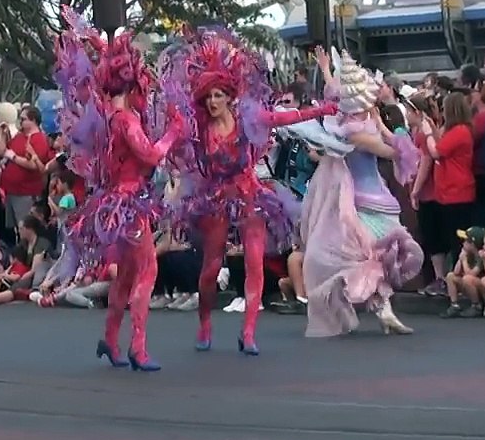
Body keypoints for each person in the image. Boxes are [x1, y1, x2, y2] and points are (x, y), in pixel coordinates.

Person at [160, 28, 335, 355]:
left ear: (229, 96)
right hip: (216, 198)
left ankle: (250, 331)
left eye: (218, 95)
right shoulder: (200, 129)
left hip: (250, 194)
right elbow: (175, 141)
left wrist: (321, 110)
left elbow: (286, 117)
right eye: (208, 96)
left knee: (255, 262)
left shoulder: (249, 119)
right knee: (211, 269)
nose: (212, 102)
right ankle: (205, 324)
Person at [53, 7, 182, 372]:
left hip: (115, 204)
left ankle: (110, 340)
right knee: (146, 271)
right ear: (132, 83)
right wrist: (174, 131)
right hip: (129, 205)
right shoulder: (125, 120)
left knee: (127, 274)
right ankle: (137, 348)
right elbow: (152, 155)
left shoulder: (106, 118)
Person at [277, 50, 424, 337]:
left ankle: (384, 310)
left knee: (381, 255)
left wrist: (327, 69)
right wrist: (405, 139)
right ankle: (375, 308)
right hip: (356, 201)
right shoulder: (351, 132)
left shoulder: (366, 120)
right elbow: (387, 149)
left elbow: (382, 132)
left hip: (377, 198)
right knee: (362, 255)